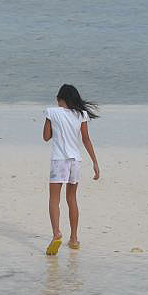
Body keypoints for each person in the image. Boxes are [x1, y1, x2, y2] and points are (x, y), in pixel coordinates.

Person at [42, 83, 100, 256]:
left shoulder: (52, 112)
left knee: (54, 199)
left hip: (59, 160)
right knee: (72, 198)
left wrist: (54, 126)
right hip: (75, 160)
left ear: (61, 99)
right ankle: (74, 239)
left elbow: (46, 137)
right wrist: (95, 163)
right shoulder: (81, 114)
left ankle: (56, 233)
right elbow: (86, 139)